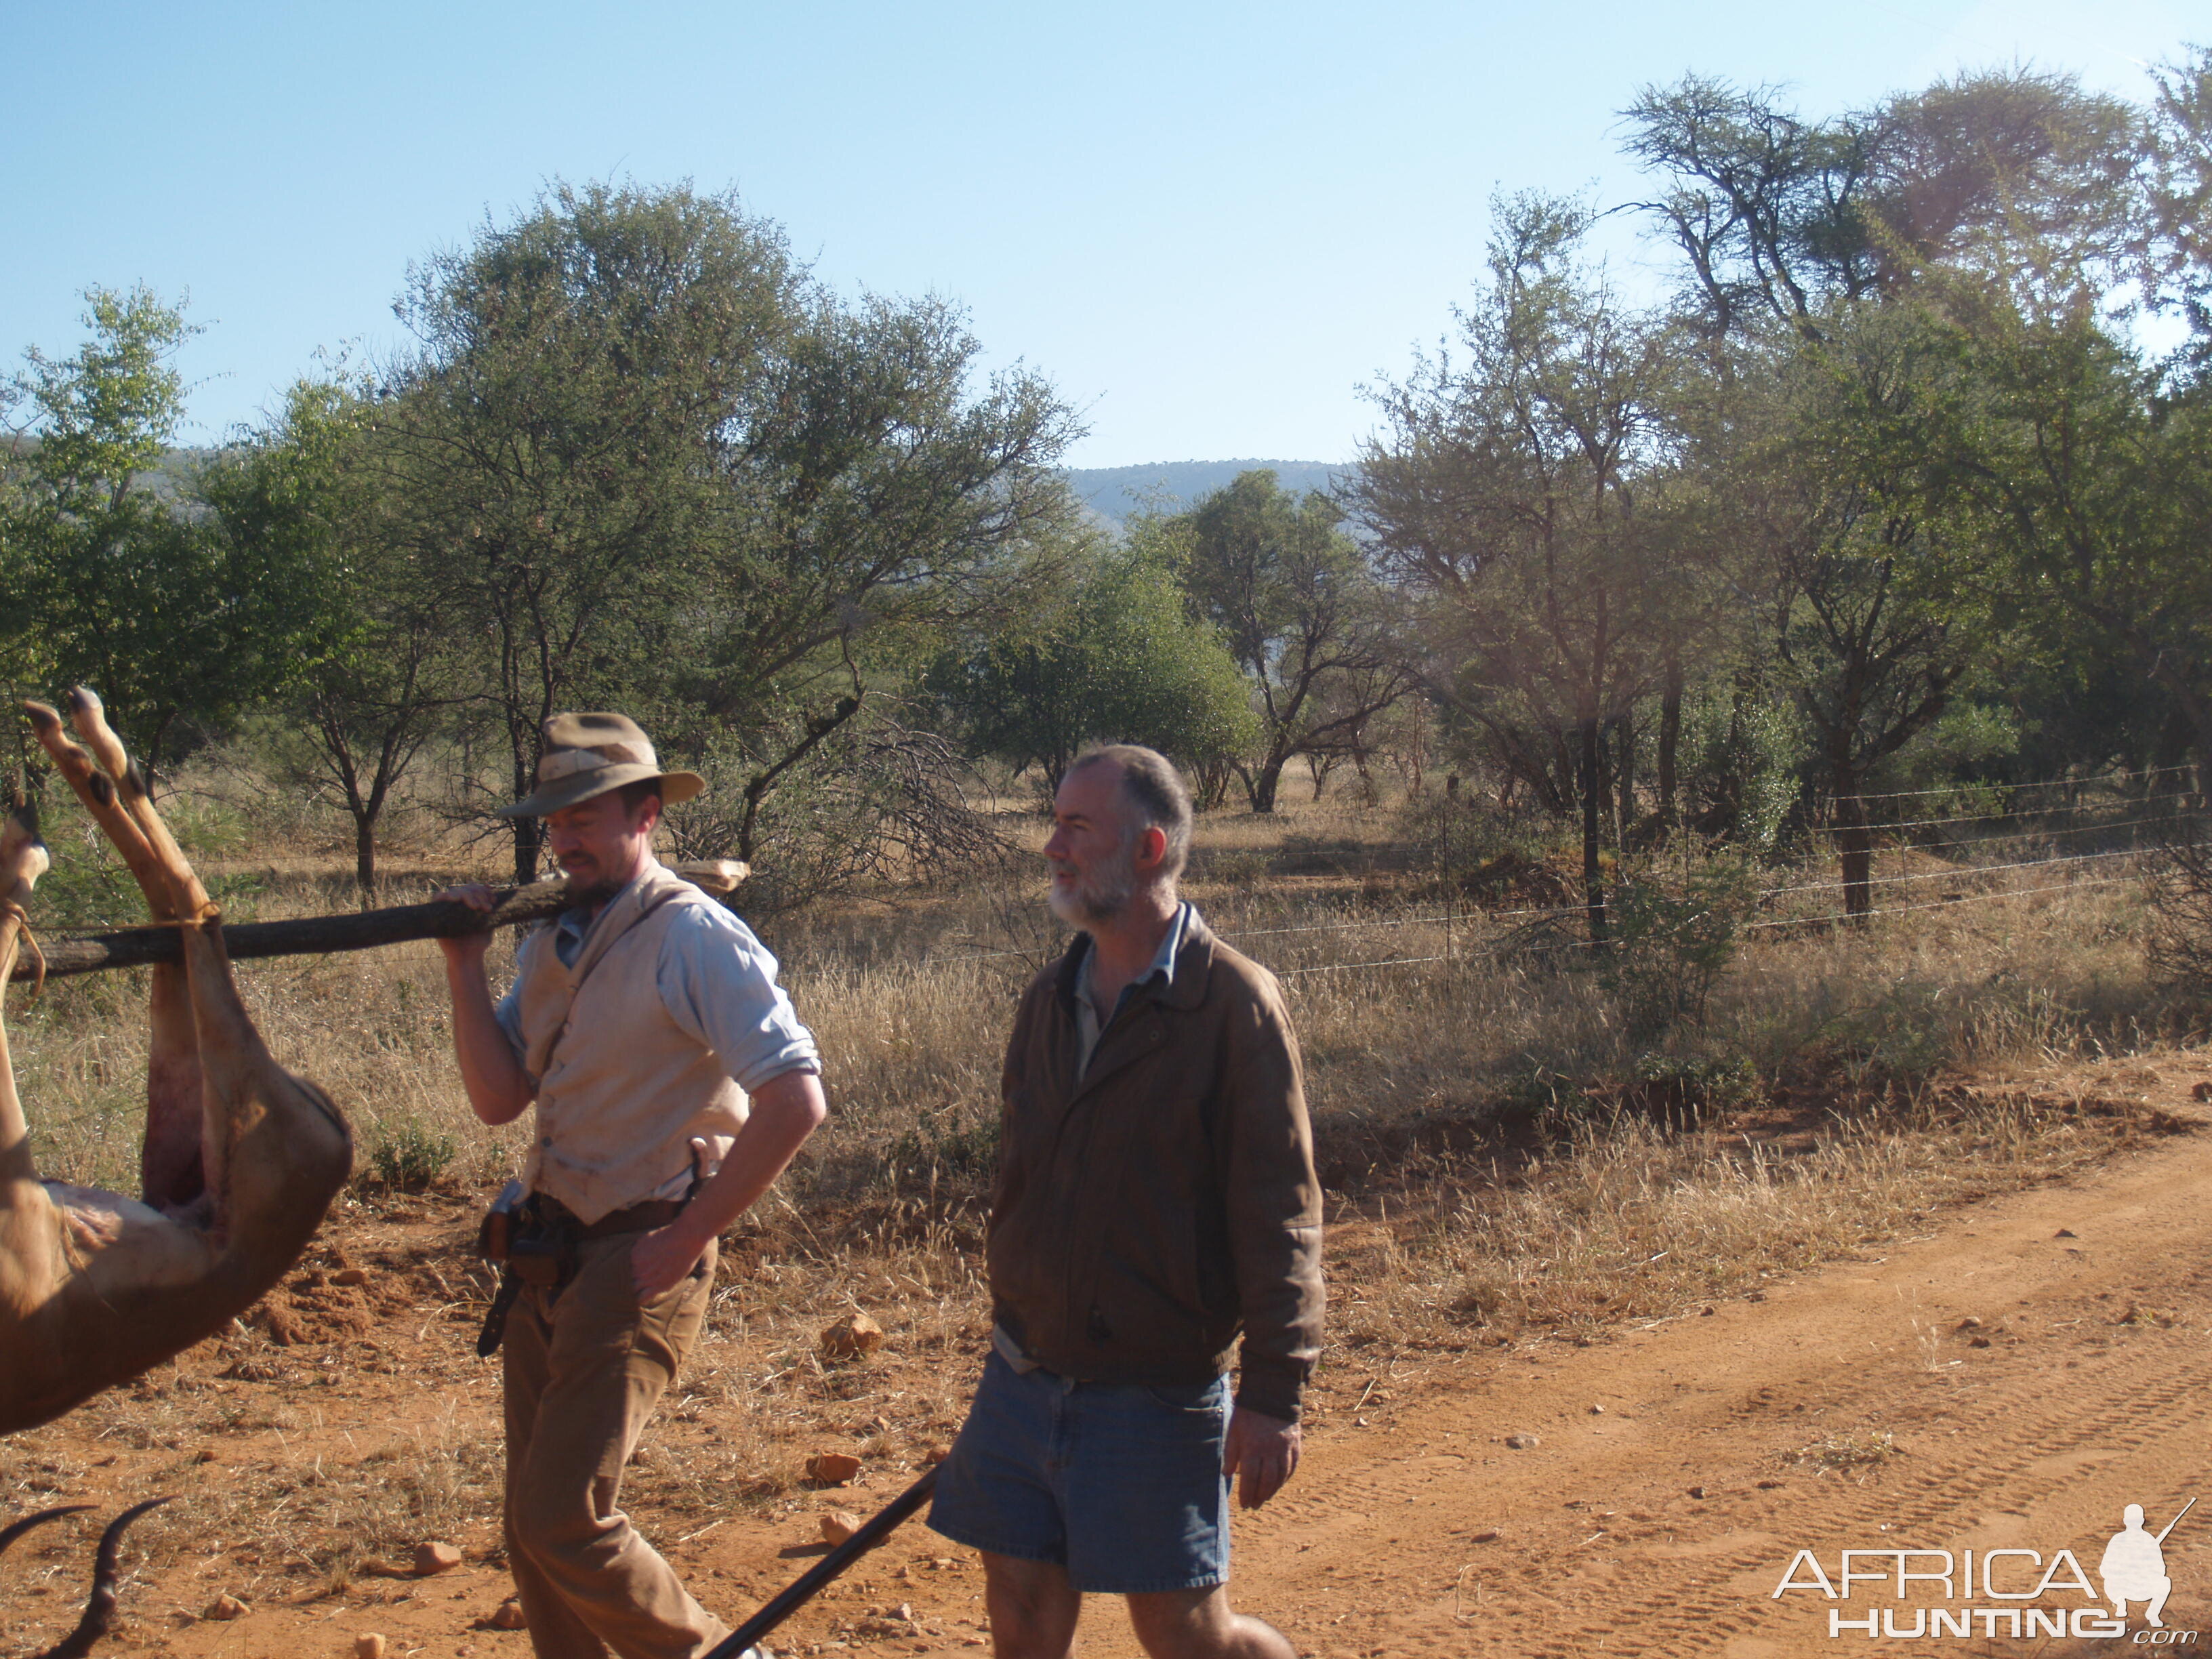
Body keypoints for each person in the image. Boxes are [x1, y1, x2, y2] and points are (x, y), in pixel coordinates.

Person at [436, 712, 827, 1659]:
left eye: (585, 816)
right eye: (554, 821)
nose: (564, 838)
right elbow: (498, 1100)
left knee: (562, 1517)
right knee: (533, 1537)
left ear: (645, 815)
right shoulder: (550, 938)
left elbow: (796, 1099)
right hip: (547, 1251)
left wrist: (691, 1233)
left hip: (640, 1248)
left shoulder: (692, 935)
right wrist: (462, 961)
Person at [928, 744, 1324, 1659]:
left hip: (1156, 1385)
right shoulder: (1048, 998)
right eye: (1054, 820)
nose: (1052, 846)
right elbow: (1020, 1183)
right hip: (1024, 1375)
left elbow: (1282, 1213)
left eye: (1077, 826)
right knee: (1020, 1619)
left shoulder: (1235, 1006)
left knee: (1188, 1636)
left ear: (1148, 851)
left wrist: (1273, 1393)